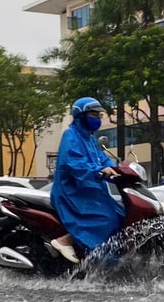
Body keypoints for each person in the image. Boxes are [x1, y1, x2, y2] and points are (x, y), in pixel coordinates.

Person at [49, 97, 123, 263]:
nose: (97, 118)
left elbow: (102, 160)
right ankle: (68, 242)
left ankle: (112, 261)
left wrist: (118, 169)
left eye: (99, 115)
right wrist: (99, 171)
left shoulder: (90, 139)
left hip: (90, 192)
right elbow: (75, 164)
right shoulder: (71, 135)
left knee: (121, 216)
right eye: (93, 114)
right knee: (107, 219)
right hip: (72, 193)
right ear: (80, 115)